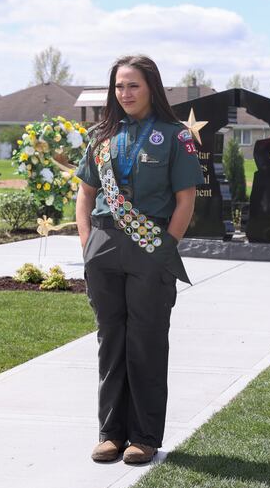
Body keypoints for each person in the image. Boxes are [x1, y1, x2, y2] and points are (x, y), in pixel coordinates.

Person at [75, 55, 204, 464]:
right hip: (105, 248)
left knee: (145, 342)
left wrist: (165, 248)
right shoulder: (101, 136)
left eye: (133, 85)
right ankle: (111, 433)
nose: (125, 93)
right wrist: (87, 246)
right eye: (119, 86)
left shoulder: (174, 136)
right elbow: (85, 195)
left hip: (152, 249)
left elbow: (186, 200)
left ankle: (144, 437)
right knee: (110, 341)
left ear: (151, 88)